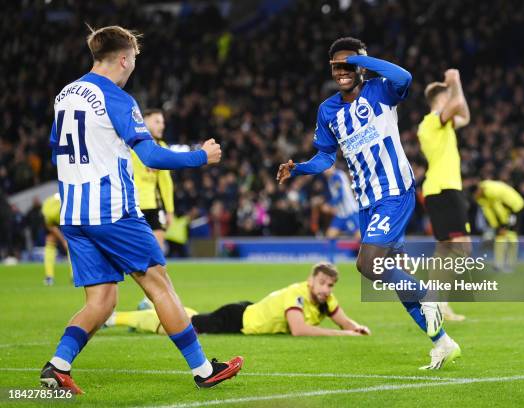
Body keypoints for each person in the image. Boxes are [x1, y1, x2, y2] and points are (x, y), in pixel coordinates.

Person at [41, 25, 242, 393]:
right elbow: (148, 154)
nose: (134, 65)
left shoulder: (64, 95)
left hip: (74, 213)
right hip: (113, 210)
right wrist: (202, 156)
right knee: (159, 285)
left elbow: (58, 148)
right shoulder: (116, 98)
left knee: (102, 299)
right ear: (122, 58)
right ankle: (202, 369)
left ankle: (57, 365)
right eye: (133, 58)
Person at [277, 37, 460, 370]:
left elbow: (405, 77)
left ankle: (429, 297)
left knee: (368, 264)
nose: (341, 71)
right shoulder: (328, 110)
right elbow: (325, 158)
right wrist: (298, 168)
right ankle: (443, 343)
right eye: (336, 66)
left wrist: (364, 60)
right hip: (366, 202)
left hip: (394, 191)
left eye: (348, 64)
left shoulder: (380, 90)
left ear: (361, 66)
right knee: (393, 272)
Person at [106, 262, 370, 336]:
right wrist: (344, 335)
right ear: (311, 280)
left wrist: (356, 327)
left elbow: (344, 321)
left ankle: (150, 306)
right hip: (236, 320)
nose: (326, 289)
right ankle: (115, 318)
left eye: (330, 285)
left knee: (190, 318)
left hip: (247, 312)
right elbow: (299, 330)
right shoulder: (298, 293)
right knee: (178, 326)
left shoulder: (326, 299)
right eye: (323, 283)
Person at [416, 69, 472, 321]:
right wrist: (456, 82)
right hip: (443, 189)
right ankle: (436, 301)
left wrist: (454, 87)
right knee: (462, 249)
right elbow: (458, 103)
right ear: (443, 97)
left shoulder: (442, 122)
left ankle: (435, 302)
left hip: (443, 189)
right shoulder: (431, 121)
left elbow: (465, 116)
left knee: (445, 249)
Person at [131, 108, 174, 250]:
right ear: (144, 121)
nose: (162, 125)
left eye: (163, 122)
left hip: (154, 206)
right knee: (135, 255)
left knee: (158, 255)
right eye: (157, 121)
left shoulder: (162, 147)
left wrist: (169, 210)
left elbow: (166, 183)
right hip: (132, 206)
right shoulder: (130, 145)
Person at [474, 180, 524, 272]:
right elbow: (490, 211)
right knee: (500, 237)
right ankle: (499, 264)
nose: (475, 196)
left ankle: (510, 264)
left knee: (511, 236)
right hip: (506, 213)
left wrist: (503, 225)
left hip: (515, 209)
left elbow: (501, 207)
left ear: (479, 189)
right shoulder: (484, 197)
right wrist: (496, 226)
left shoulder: (492, 192)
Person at [41, 193, 72, 286]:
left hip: (70, 221)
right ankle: (49, 276)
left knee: (72, 244)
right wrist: (63, 241)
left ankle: (74, 275)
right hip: (60, 220)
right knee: (50, 240)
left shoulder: (69, 207)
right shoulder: (49, 209)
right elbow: (50, 226)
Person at [322, 166, 360, 239]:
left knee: (359, 236)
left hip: (350, 212)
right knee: (330, 236)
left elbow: (340, 195)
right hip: (340, 214)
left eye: (327, 168)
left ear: (333, 166)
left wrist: (329, 205)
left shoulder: (337, 175)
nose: (325, 171)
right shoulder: (330, 179)